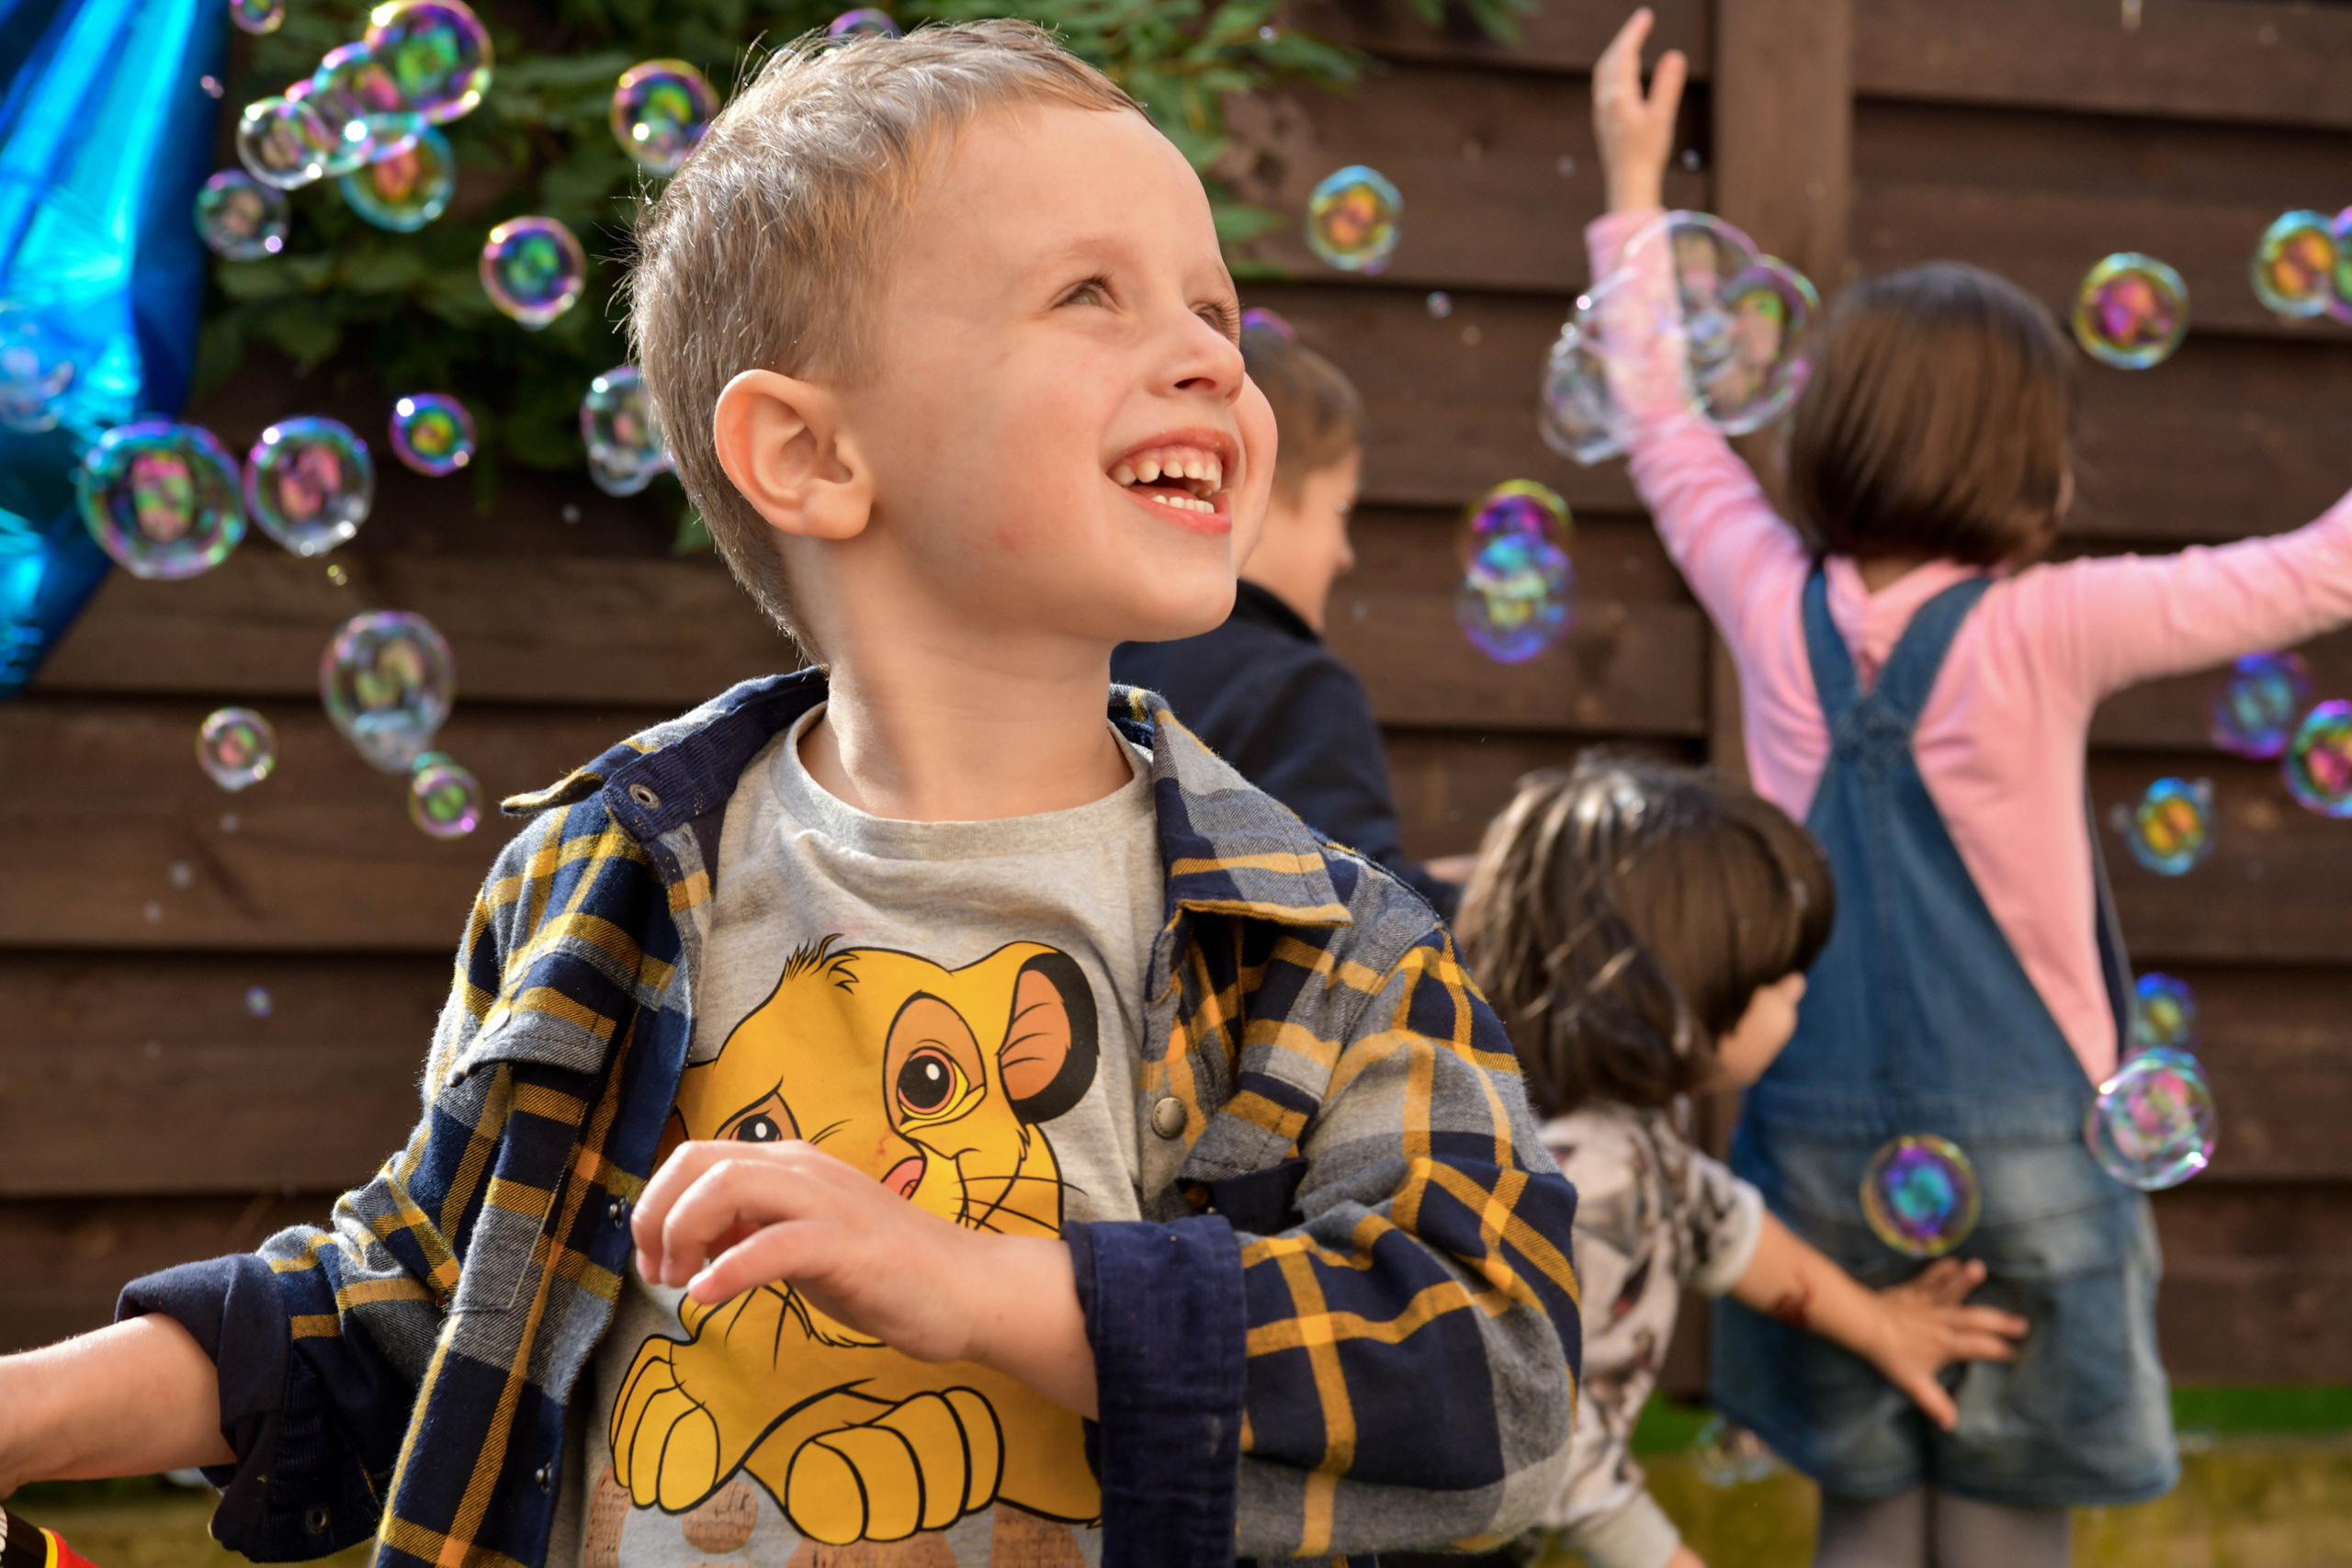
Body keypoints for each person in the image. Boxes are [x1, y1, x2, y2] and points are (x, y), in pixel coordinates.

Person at [0, 24, 1584, 1567]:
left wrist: (987, 1288)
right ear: (810, 455)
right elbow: (404, 1309)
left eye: (1215, 307)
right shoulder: (596, 887)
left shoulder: (1333, 949)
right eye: (1090, 293)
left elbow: (1502, 1389)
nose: (1213, 358)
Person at [1585, 10, 2352, 1565]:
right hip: (2035, 1149)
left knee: (1867, 1512)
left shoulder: (1765, 594)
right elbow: (2318, 567)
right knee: (2006, 1528)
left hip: (1801, 1135)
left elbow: (1662, 430)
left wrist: (1630, 177)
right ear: (2023, 463)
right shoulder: (2048, 625)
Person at [1454, 756, 2028, 1568]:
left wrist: (1880, 1325)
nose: (1797, 983)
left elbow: (1714, 1220)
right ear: (1674, 986)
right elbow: (1550, 1452)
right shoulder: (1583, 1176)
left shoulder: (1624, 1123)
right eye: (1771, 970)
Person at [1113, 314, 1464, 914]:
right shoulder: (1300, 688)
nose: (1345, 555)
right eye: (1341, 509)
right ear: (1261, 490)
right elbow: (1357, 917)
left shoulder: (1104, 660)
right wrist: (1490, 896)